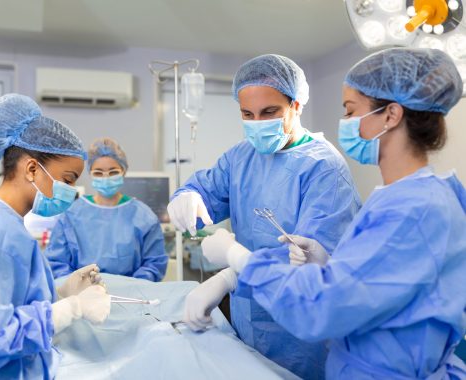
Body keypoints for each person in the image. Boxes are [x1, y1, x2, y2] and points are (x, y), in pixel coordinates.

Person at [195, 48, 466, 379]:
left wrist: (236, 260)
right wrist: (326, 262)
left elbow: (321, 307)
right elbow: (370, 289)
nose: (345, 124)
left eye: (351, 112)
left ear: (391, 115)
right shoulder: (401, 199)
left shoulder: (416, 210)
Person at [170, 54, 361, 378]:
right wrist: (187, 195)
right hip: (248, 317)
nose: (257, 123)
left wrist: (228, 275)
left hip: (300, 332)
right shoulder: (241, 156)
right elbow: (207, 188)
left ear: (297, 105)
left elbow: (310, 259)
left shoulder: (323, 168)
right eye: (247, 114)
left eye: (269, 112)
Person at [0, 94, 111, 379]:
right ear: (32, 168)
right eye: (68, 179)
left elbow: (9, 299)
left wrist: (61, 293)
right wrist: (71, 308)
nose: (70, 190)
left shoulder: (8, 222)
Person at [46, 137, 168, 281]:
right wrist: (79, 286)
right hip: (82, 297)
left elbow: (154, 264)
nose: (106, 177)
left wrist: (131, 287)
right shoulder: (72, 214)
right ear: (90, 174)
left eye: (113, 172)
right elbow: (57, 263)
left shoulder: (143, 216)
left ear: (123, 171)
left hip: (131, 297)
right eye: (98, 172)